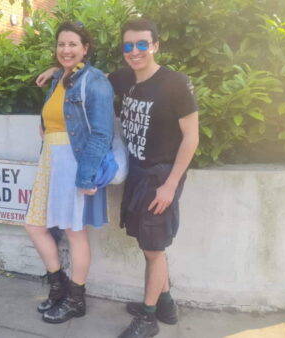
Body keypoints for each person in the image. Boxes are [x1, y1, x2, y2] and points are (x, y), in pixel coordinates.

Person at [36, 18, 199, 338]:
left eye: (142, 44)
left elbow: (191, 138)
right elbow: (86, 76)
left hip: (161, 174)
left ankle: (149, 318)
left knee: (154, 250)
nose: (135, 51)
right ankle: (164, 303)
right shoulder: (124, 78)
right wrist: (58, 71)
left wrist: (170, 185)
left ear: (155, 45)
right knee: (147, 243)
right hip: (137, 172)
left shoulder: (175, 83)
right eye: (129, 45)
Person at [25, 22, 114, 324]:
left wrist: (87, 176)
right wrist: (55, 71)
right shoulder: (60, 78)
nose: (66, 50)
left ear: (86, 47)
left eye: (73, 44)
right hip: (50, 160)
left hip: (75, 163)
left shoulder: (96, 81)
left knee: (76, 234)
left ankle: (76, 299)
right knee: (35, 225)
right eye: (61, 44)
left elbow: (102, 133)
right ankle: (58, 284)